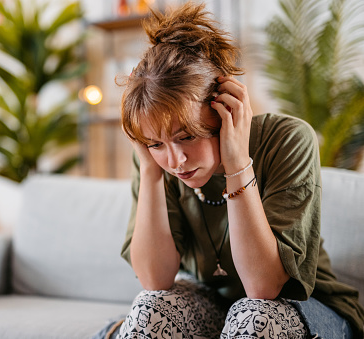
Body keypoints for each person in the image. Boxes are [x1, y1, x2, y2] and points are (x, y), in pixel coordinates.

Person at [98, 2, 364, 339]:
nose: (175, 160)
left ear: (223, 107)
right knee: (152, 310)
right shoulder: (156, 161)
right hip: (216, 305)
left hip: (304, 306)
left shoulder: (287, 139)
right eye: (155, 143)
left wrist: (238, 163)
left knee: (255, 318)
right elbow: (155, 280)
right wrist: (150, 171)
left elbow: (263, 286)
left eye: (187, 137)